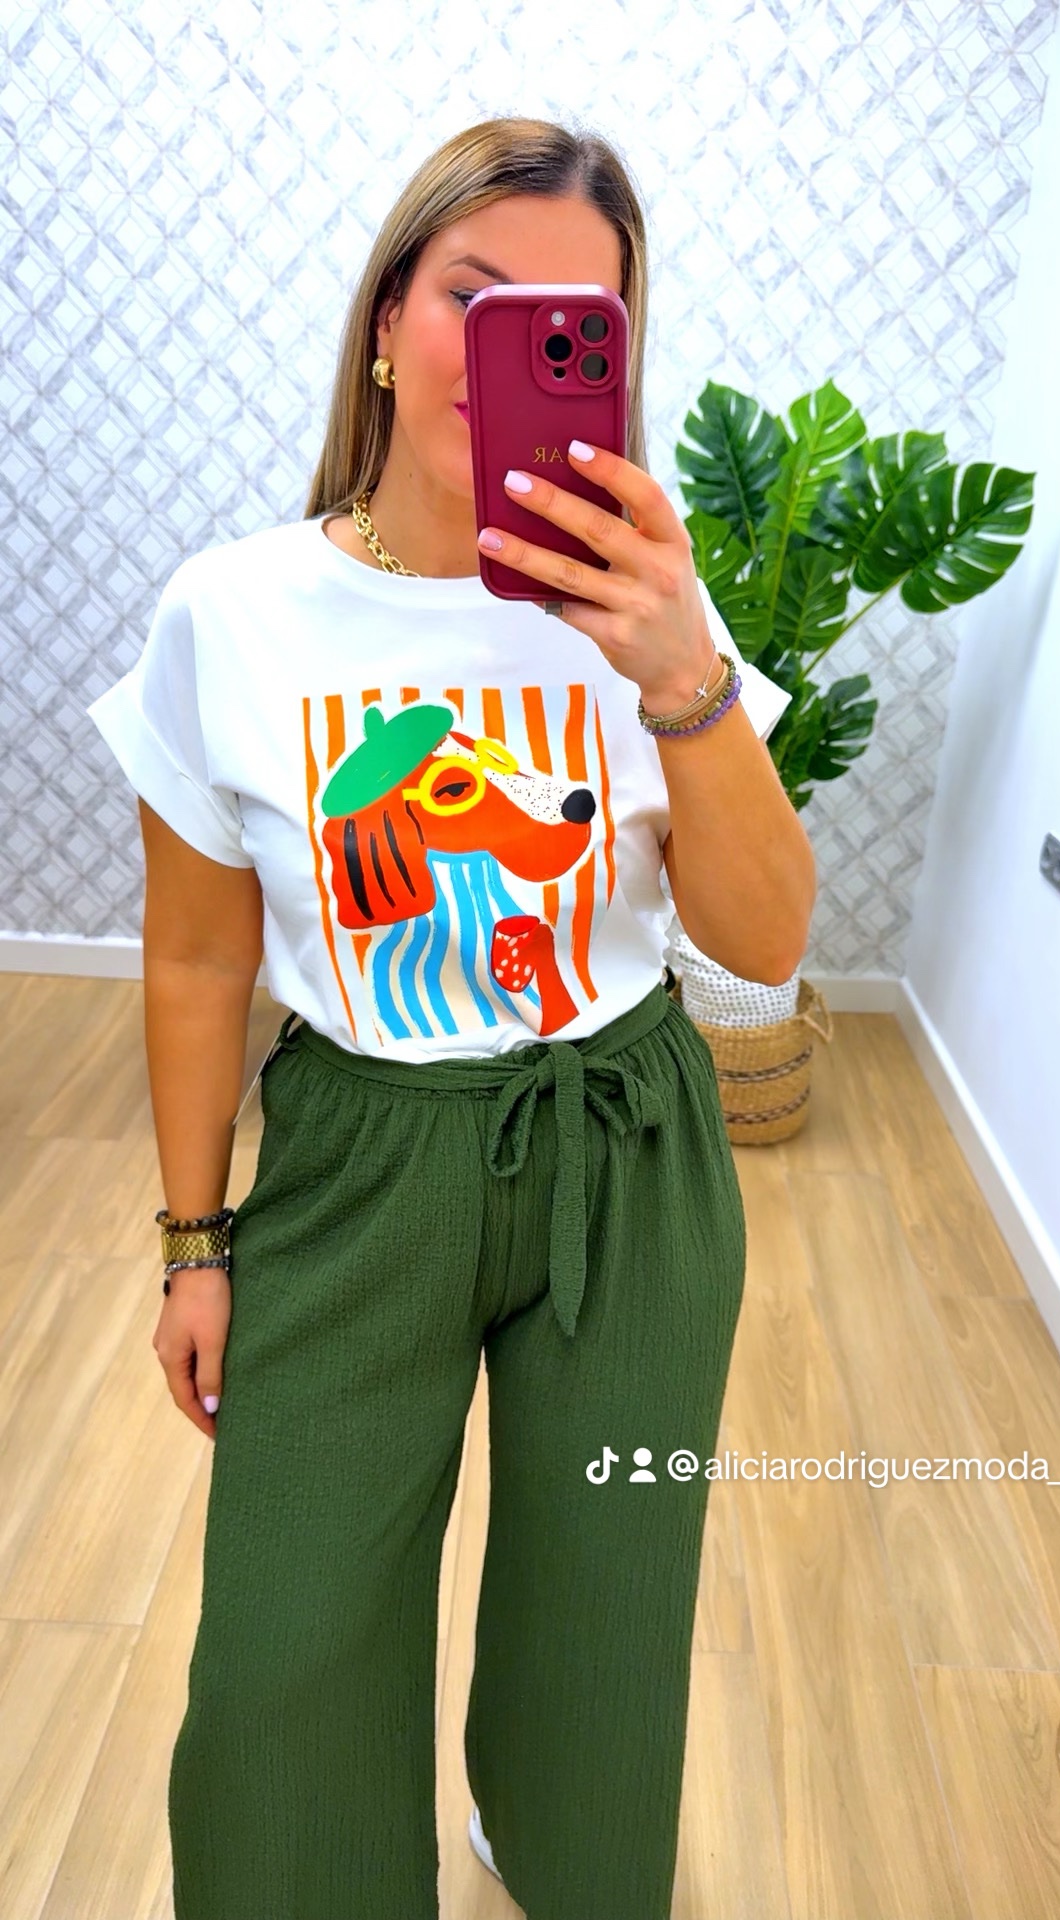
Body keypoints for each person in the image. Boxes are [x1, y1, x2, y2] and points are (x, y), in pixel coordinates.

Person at [87, 116, 814, 1920]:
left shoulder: (647, 607)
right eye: (474, 299)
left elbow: (764, 944)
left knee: (610, 1588)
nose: (509, 353)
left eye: (574, 323)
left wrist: (682, 675)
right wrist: (193, 1243)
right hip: (361, 1153)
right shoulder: (237, 614)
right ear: (388, 320)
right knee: (286, 1638)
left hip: (624, 1146)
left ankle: (561, 1850)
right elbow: (197, 963)